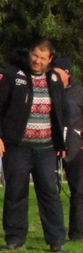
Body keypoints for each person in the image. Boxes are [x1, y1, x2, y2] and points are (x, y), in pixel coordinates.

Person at [0, 40, 66, 252]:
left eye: (42, 57)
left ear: (50, 60)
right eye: (34, 55)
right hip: (17, 146)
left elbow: (59, 112)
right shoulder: (10, 75)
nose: (36, 60)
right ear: (29, 53)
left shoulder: (55, 78)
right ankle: (15, 239)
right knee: (16, 193)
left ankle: (56, 241)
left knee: (50, 193)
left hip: (46, 148)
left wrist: (61, 142)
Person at [53, 58, 83, 242]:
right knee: (50, 191)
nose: (54, 76)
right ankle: (55, 233)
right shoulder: (48, 90)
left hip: (76, 148)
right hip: (50, 147)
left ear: (67, 73)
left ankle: (78, 233)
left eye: (58, 72)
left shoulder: (79, 93)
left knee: (79, 191)